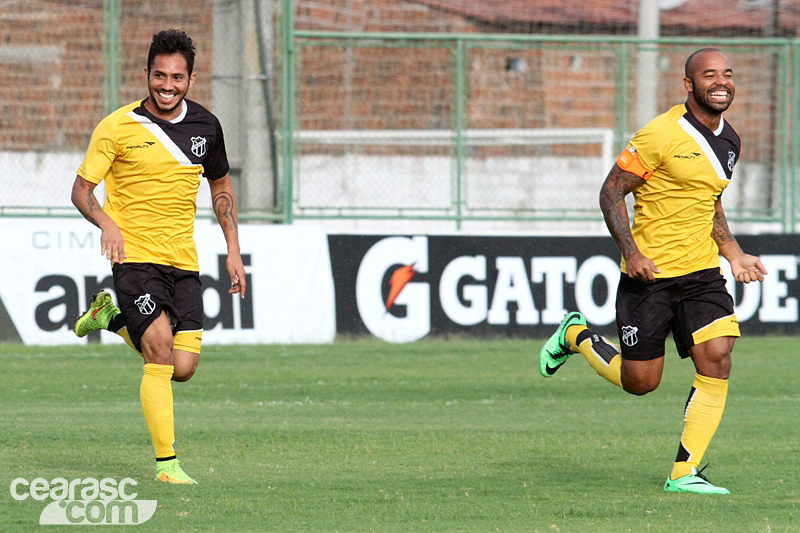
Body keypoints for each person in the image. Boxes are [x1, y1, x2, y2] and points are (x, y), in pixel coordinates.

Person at [538, 48, 767, 494]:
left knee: (718, 358)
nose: (721, 82)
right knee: (640, 383)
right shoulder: (659, 134)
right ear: (688, 85)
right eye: (709, 75)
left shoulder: (730, 142)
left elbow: (710, 201)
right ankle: (576, 337)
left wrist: (733, 253)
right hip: (650, 277)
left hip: (702, 274)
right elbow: (610, 193)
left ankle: (684, 472)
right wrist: (632, 252)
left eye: (727, 74)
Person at [70, 29, 246, 484]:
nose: (167, 86)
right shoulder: (117, 126)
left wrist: (233, 251)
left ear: (191, 79)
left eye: (177, 78)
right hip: (134, 257)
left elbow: (221, 186)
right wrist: (108, 223)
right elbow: (81, 191)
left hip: (183, 261)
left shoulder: (206, 126)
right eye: (159, 75)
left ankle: (108, 318)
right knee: (160, 354)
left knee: (183, 369)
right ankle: (167, 465)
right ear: (146, 73)